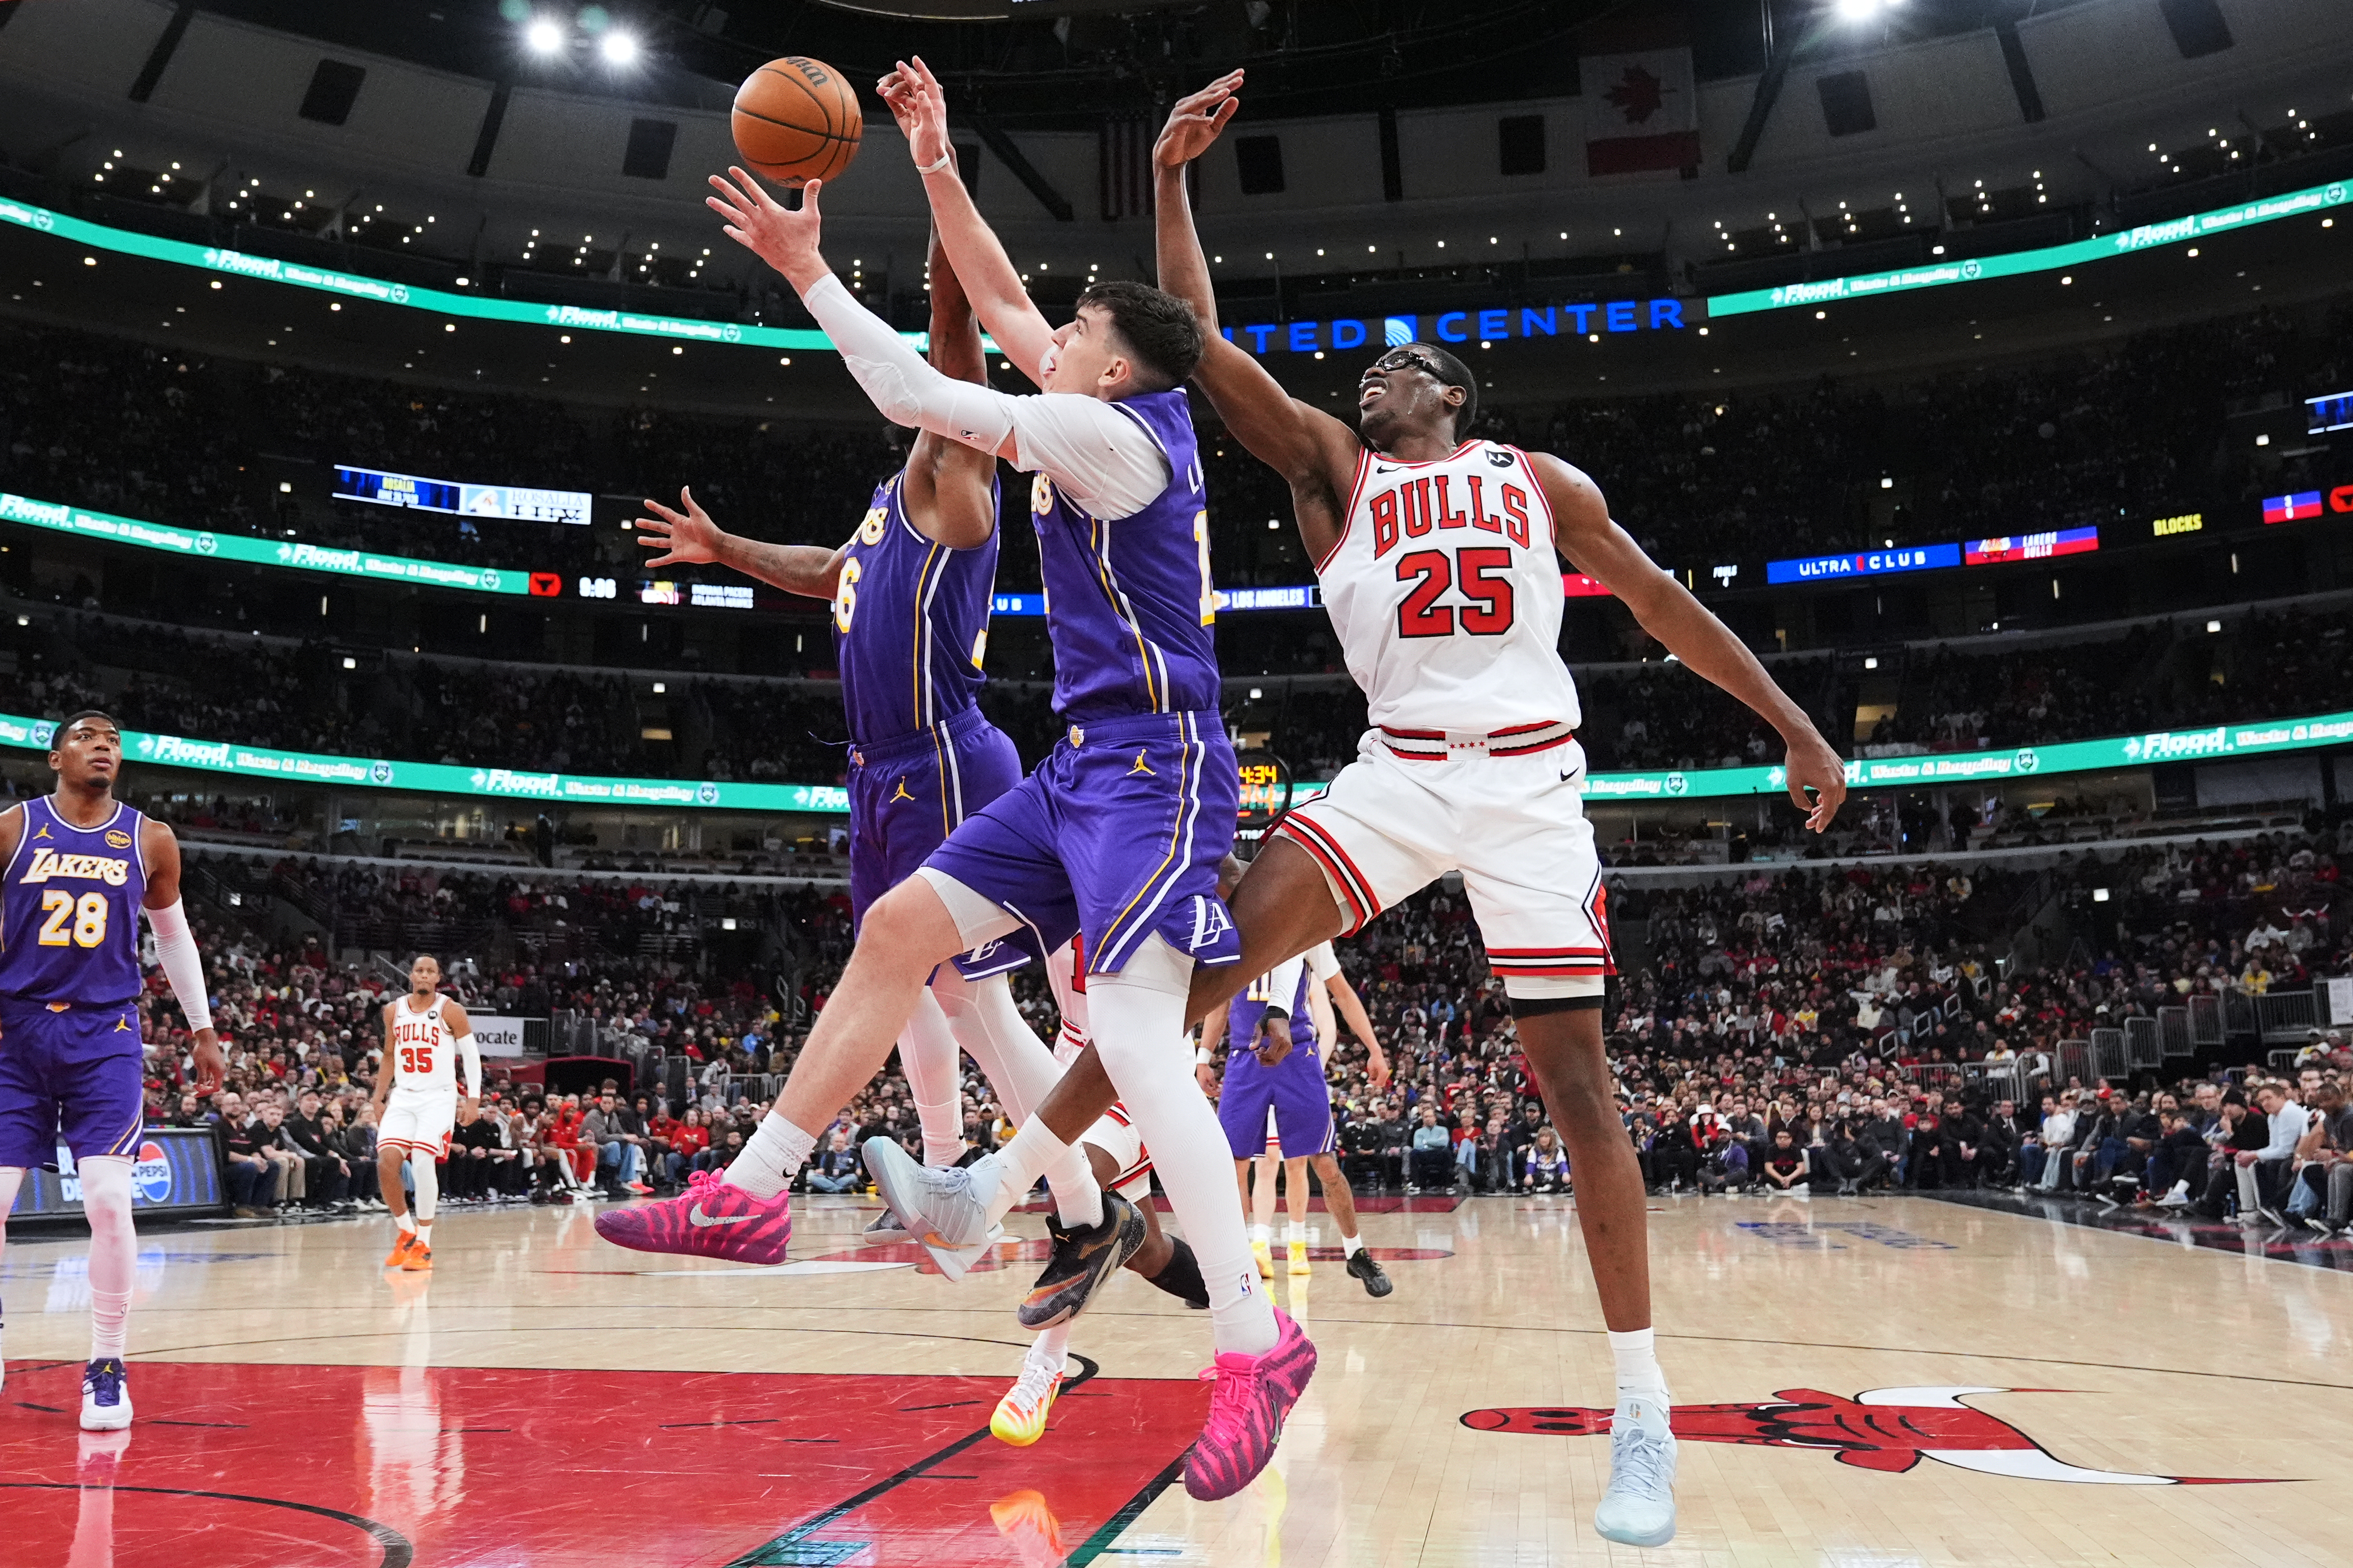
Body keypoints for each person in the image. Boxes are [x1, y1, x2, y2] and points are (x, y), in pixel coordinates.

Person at [869, 72, 1847, 1548]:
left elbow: (1658, 602)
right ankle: (993, 1188)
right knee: (1175, 979)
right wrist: (1174, 187)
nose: (1376, 375)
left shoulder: (1540, 481)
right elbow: (1196, 359)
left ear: (1455, 397)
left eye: (1404, 365)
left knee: (1575, 1092)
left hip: (1528, 788)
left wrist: (1788, 724)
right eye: (1371, 367)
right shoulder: (1333, 471)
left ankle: (1638, 1413)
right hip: (1393, 774)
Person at [596, 64, 1304, 1504]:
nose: (1047, 332)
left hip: (1162, 770)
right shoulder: (1098, 400)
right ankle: (750, 1190)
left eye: (1076, 328)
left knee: (1139, 1031)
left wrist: (805, 270)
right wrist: (926, 160)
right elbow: (988, 301)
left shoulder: (1109, 438)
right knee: (898, 934)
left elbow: (918, 382)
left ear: (1111, 367)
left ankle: (1251, 1339)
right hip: (1077, 766)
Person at [624, 224, 1108, 1265]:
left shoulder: (953, 471)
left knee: (966, 993)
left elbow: (951, 344)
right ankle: (1073, 1202)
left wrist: (944, 237)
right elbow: (822, 570)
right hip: (880, 770)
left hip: (941, 755)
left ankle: (1051, 1195)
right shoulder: (894, 502)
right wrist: (725, 549)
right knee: (963, 999)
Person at [0, 710, 223, 1430]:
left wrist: (203, 1027)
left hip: (105, 1032)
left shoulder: (149, 837)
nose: (104, 746)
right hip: (16, 1030)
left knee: (106, 1202)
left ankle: (107, 1364)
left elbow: (173, 935)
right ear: (55, 755)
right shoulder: (12, 828)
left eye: (114, 740)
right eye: (88, 736)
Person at [1204, 940, 1394, 1296]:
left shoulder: (1310, 932)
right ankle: (1231, 1266)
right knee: (1235, 1165)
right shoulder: (1237, 924)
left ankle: (1355, 1251)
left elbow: (1343, 992)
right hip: (1247, 1059)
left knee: (1323, 1163)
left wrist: (1375, 1048)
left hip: (1298, 1055)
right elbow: (1221, 1000)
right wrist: (1203, 1055)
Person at [369, 955, 480, 1274]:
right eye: (419, 970)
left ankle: (425, 1244)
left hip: (439, 1097)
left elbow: (471, 1057)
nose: (424, 975)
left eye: (430, 971)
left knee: (421, 1159)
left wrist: (473, 1101)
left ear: (438, 978)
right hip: (404, 1097)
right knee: (387, 1162)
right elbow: (390, 1056)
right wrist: (379, 1097)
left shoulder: (451, 1010)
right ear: (411, 976)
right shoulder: (393, 1011)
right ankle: (406, 1231)